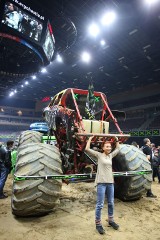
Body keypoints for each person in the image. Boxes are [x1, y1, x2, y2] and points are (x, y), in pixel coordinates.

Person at [85, 136, 120, 235]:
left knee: (111, 203)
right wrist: (90, 139)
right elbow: (87, 149)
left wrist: (116, 139)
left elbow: (118, 149)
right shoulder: (99, 155)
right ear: (103, 147)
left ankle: (111, 220)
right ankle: (98, 224)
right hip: (101, 183)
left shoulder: (110, 156)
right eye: (107, 146)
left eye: (110, 146)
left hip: (110, 183)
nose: (109, 148)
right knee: (100, 204)